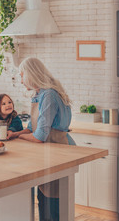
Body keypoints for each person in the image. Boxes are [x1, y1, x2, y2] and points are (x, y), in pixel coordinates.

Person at [8, 57, 75, 221]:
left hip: (57, 152)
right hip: (47, 153)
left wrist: (21, 138)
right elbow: (32, 128)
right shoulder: (40, 94)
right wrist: (15, 134)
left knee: (53, 204)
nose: (21, 80)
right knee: (44, 198)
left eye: (22, 75)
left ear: (31, 75)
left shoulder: (49, 95)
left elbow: (39, 136)